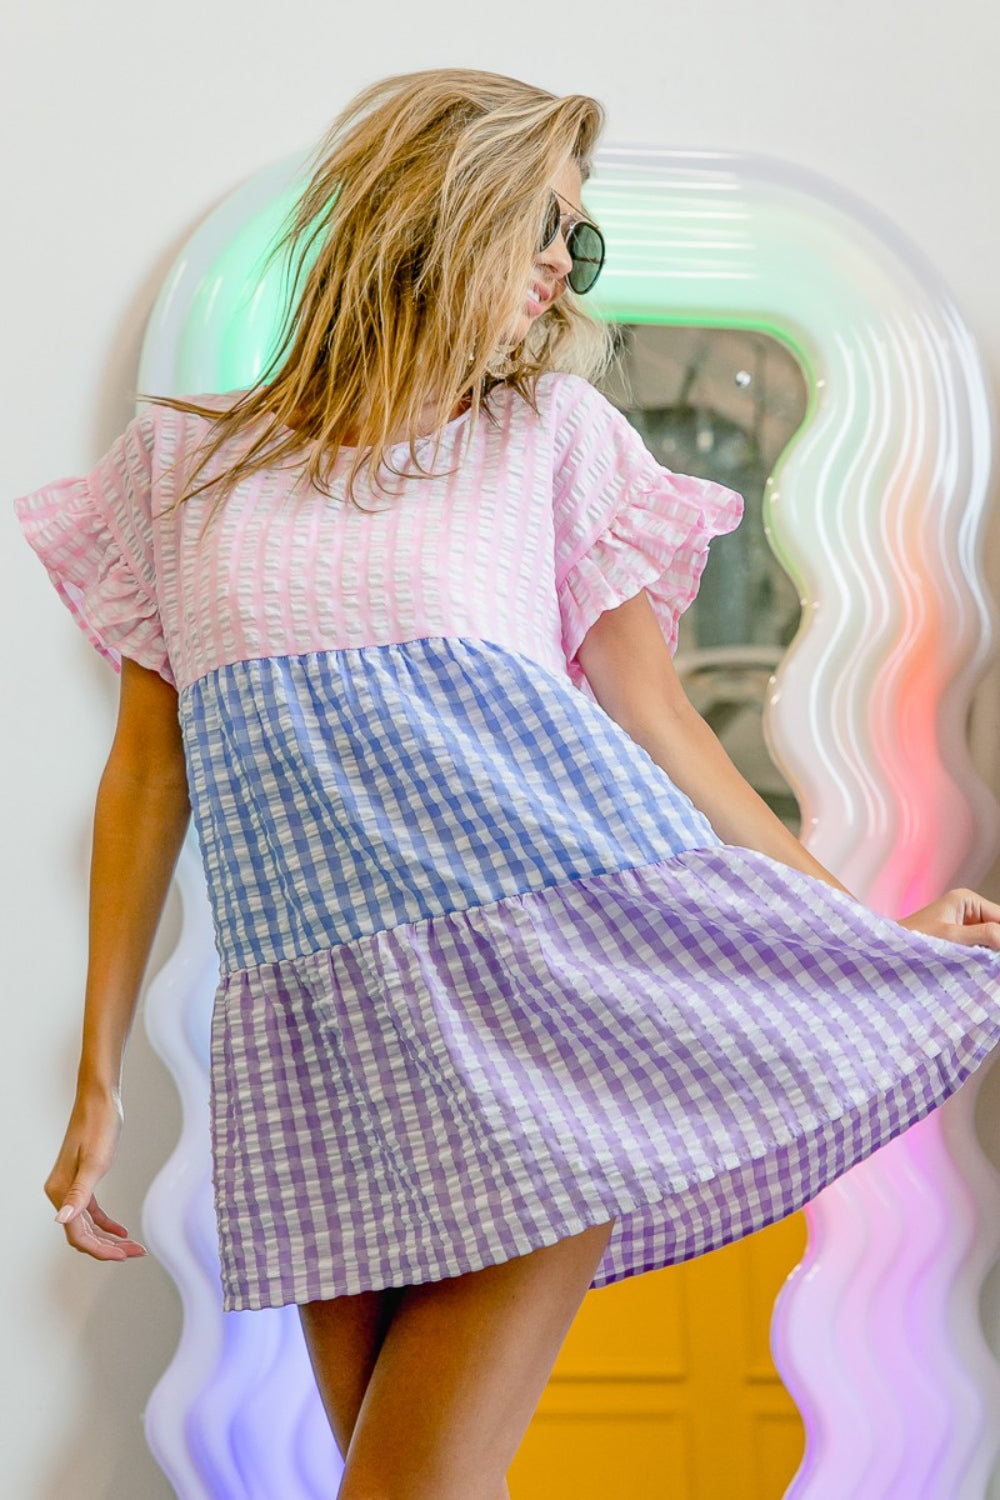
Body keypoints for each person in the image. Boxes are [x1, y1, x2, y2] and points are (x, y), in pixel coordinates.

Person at [14, 66, 1000, 1500]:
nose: (562, 262)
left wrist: (849, 933)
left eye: (578, 241)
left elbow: (665, 730)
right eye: (547, 222)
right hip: (320, 1033)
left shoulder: (548, 442)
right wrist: (97, 1074)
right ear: (442, 206)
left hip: (539, 1001)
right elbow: (149, 772)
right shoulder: (184, 464)